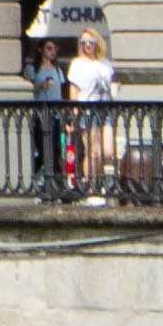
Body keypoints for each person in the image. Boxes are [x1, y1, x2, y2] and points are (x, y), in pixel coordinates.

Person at [68, 31, 118, 201]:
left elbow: (112, 83)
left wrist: (116, 86)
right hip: (87, 110)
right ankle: (91, 188)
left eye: (90, 41)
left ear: (97, 42)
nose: (87, 45)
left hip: (105, 109)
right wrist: (75, 113)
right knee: (93, 152)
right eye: (83, 42)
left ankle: (97, 180)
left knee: (108, 151)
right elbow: (74, 90)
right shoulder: (77, 64)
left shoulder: (105, 63)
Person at [28, 33, 73, 200]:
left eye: (54, 49)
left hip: (55, 116)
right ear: (41, 50)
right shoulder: (33, 69)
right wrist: (41, 84)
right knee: (41, 149)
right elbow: (29, 88)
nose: (52, 52)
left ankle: (52, 185)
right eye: (49, 48)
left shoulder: (58, 70)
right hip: (39, 115)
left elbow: (62, 92)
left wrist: (65, 116)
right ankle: (37, 180)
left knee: (54, 150)